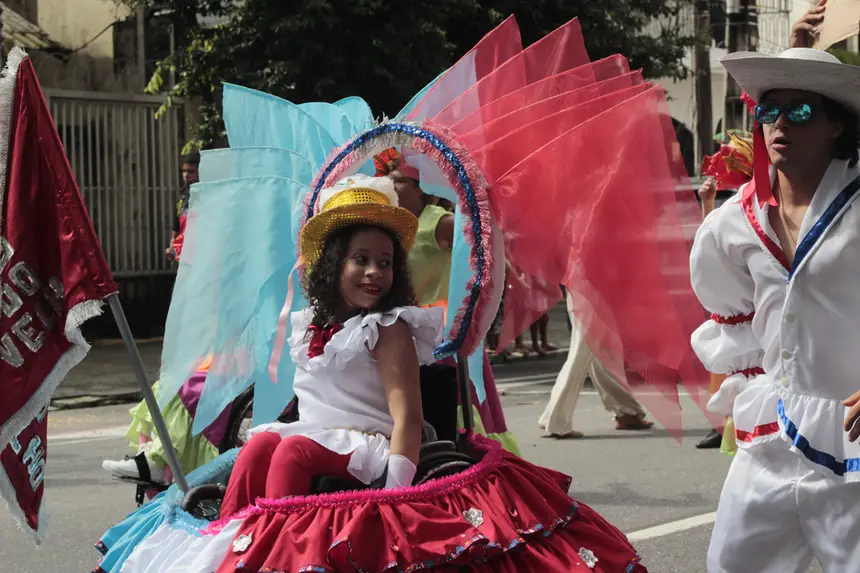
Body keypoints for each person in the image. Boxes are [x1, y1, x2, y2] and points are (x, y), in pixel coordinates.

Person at [119, 175, 649, 573]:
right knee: (261, 448)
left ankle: (286, 559)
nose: (375, 273)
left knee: (290, 451)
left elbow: (408, 416)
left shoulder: (389, 327)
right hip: (315, 435)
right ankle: (234, 548)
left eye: (385, 262)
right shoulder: (308, 323)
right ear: (333, 266)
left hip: (375, 443)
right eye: (360, 260)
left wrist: (396, 493)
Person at [694, 47, 860, 572]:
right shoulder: (732, 223)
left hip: (855, 441)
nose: (780, 124)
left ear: (836, 124)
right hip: (772, 436)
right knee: (731, 565)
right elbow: (736, 321)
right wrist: (750, 380)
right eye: (769, 111)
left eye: (801, 111)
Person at [376, 149, 519, 453]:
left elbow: (487, 248)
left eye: (398, 180)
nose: (389, 184)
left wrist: (476, 299)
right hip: (404, 332)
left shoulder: (438, 222)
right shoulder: (392, 226)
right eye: (388, 178)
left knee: (454, 408)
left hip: (441, 334)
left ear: (423, 189)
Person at [538, 290, 654, 438]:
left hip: (590, 292)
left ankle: (626, 412)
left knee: (602, 353)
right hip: (593, 292)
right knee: (581, 354)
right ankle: (556, 419)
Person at [166, 151, 200, 262]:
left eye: (191, 171)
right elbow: (176, 230)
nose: (186, 175)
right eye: (184, 171)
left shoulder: (208, 197)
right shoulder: (182, 198)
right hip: (183, 258)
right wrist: (172, 247)